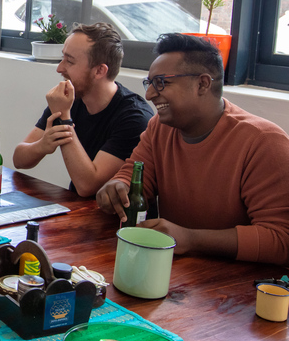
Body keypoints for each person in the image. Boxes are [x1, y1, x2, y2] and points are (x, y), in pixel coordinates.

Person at [97, 33, 289, 266]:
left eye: (161, 82)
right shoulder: (160, 127)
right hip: (177, 274)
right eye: (149, 84)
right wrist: (116, 188)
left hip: (237, 288)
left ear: (203, 84)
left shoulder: (263, 142)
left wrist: (190, 238)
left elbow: (280, 240)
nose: (149, 95)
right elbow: (134, 176)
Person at [13, 23, 153, 196]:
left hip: (116, 219)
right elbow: (19, 159)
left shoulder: (134, 117)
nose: (60, 68)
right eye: (62, 58)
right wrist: (42, 145)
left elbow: (88, 186)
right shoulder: (71, 99)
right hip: (77, 210)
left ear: (100, 70)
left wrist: (65, 120)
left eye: (69, 61)